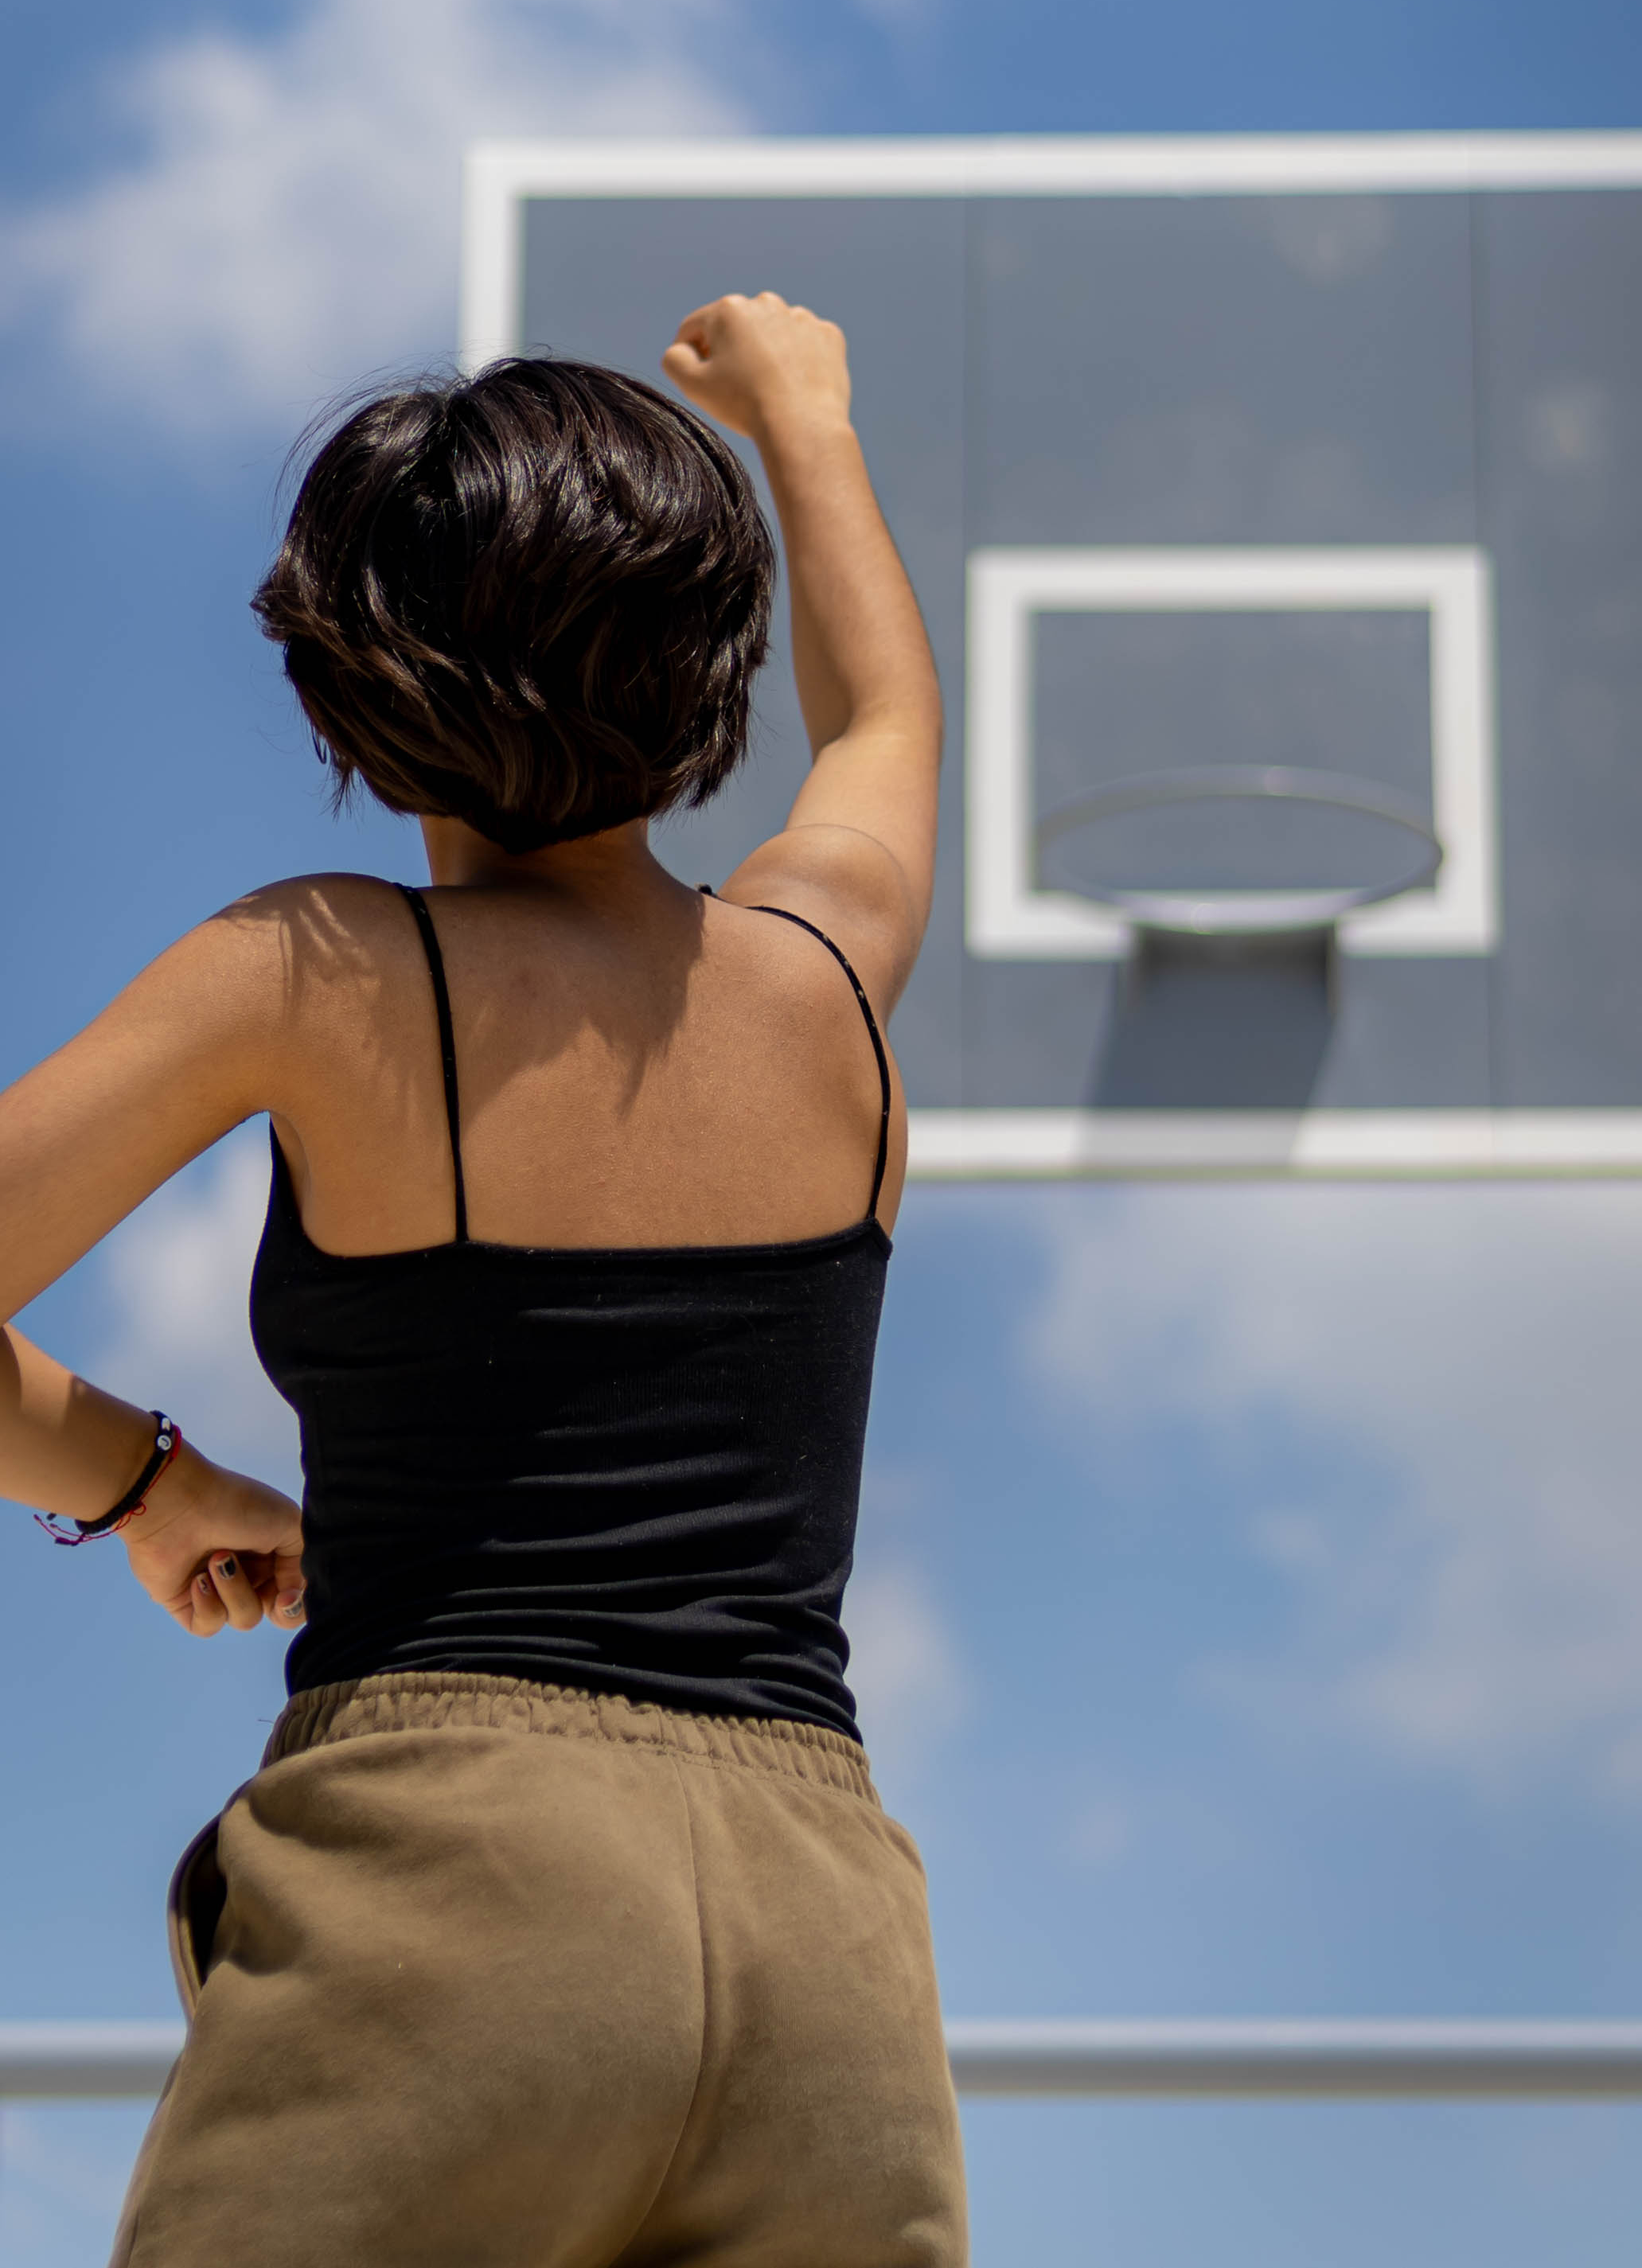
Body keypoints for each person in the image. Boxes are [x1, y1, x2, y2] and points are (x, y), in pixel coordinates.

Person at [0, 293, 966, 2268]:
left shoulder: (321, 975)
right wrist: (805, 413)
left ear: (348, 694)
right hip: (828, 1947)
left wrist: (143, 1483)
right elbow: (886, 726)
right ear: (716, 664)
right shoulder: (824, 973)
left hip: (461, 1892)